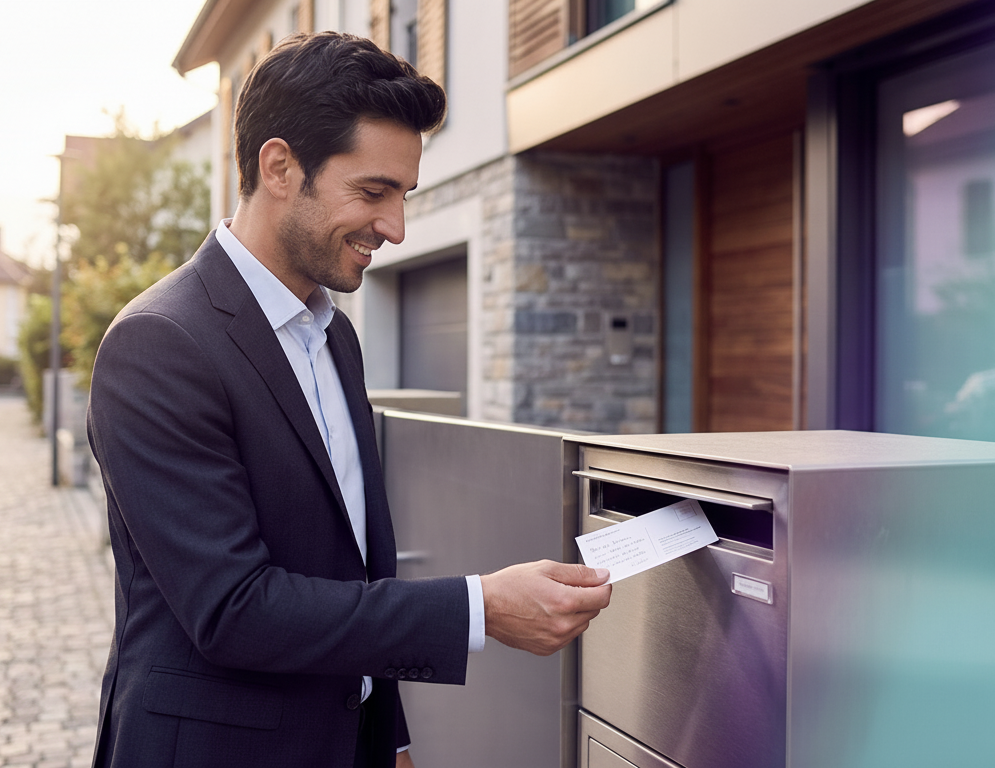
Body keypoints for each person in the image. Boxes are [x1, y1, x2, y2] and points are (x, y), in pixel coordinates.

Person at [86, 31, 612, 768]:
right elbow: (234, 609)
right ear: (279, 167)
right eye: (373, 192)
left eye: (403, 195)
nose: (395, 228)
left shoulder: (336, 338)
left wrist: (385, 733)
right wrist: (482, 607)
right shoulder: (160, 344)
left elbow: (358, 569)